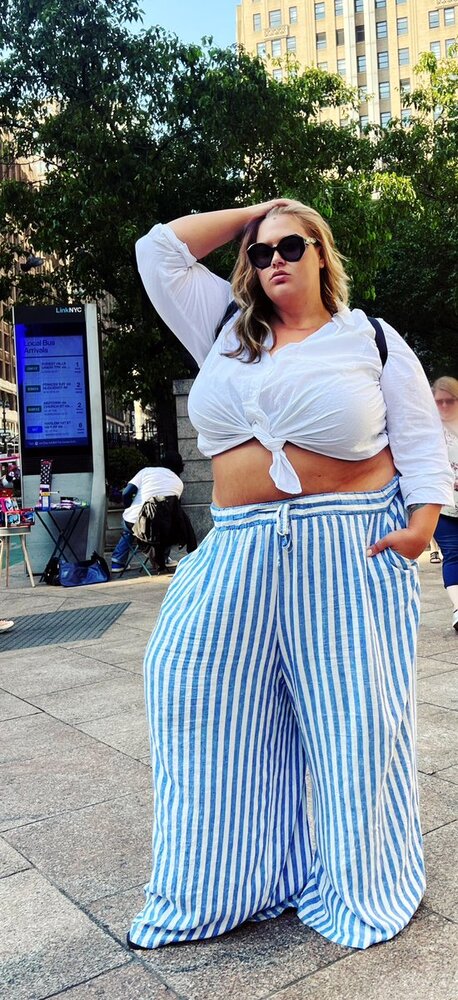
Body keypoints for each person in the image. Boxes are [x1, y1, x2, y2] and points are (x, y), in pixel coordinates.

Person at [128, 199, 453, 953]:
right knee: (193, 693)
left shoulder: (369, 339)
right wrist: (260, 210)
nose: (274, 258)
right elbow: (158, 250)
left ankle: (361, 884)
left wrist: (423, 525)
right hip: (239, 545)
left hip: (346, 546)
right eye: (261, 250)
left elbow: (418, 437)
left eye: (291, 245)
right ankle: (228, 884)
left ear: (320, 252)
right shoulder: (223, 329)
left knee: (354, 724)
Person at [111, 451, 184, 573]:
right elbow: (173, 509)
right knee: (169, 526)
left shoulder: (146, 472)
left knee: (129, 529)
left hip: (136, 522)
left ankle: (117, 562)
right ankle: (163, 558)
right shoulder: (179, 483)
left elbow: (126, 493)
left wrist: (129, 507)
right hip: (160, 527)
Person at [431, 376, 458, 630]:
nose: (444, 406)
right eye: (439, 402)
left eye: (450, 401)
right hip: (443, 505)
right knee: (452, 555)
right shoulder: (428, 430)